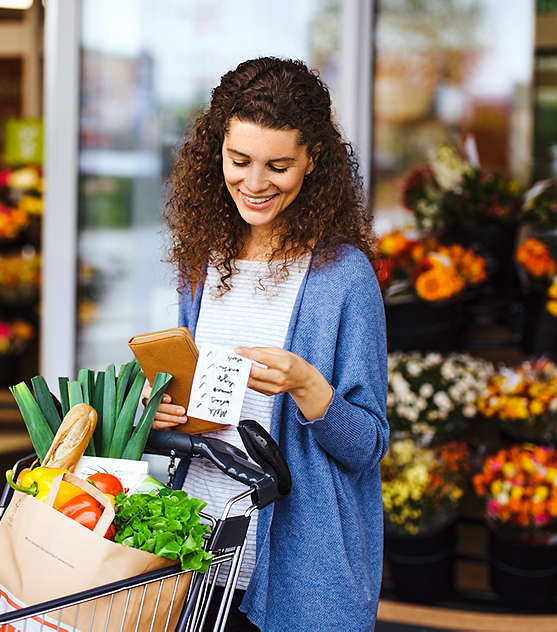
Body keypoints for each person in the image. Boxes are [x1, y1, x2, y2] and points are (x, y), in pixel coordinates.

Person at [148, 57, 388, 631]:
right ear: (218, 151)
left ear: (313, 159)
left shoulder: (344, 277)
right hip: (199, 554)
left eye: (278, 166)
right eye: (239, 161)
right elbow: (192, 402)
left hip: (300, 575)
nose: (255, 185)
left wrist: (308, 387)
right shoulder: (205, 261)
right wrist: (162, 410)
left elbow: (368, 446)